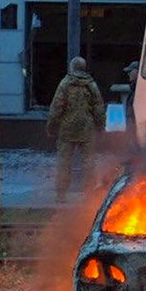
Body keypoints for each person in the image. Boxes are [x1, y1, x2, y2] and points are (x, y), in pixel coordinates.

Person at [46, 56, 104, 202]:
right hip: (87, 129)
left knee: (64, 162)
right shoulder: (92, 85)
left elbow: (56, 108)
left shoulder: (64, 84)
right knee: (88, 163)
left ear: (72, 67)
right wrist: (100, 127)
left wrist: (51, 127)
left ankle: (61, 195)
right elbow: (98, 108)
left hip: (67, 130)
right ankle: (89, 194)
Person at [123, 60, 139, 150]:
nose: (128, 74)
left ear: (137, 71)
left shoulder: (139, 88)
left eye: (130, 71)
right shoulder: (134, 87)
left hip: (135, 122)